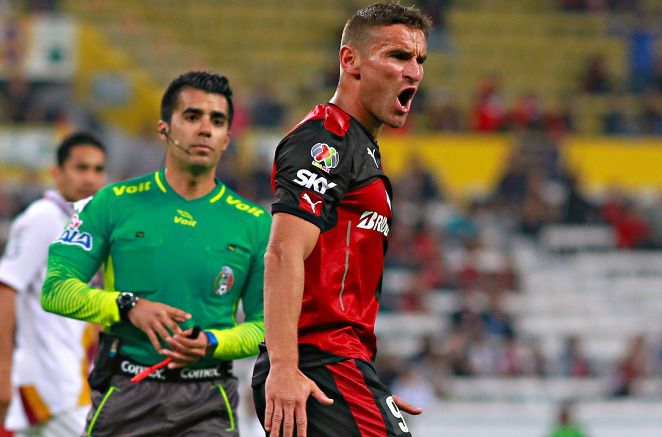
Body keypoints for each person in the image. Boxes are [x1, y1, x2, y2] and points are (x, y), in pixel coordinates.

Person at [41, 71, 271, 436]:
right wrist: (127, 306)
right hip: (125, 391)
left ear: (228, 137)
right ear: (164, 128)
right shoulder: (112, 203)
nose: (205, 129)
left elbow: (266, 327)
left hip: (207, 400)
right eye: (192, 117)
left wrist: (213, 342)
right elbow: (55, 289)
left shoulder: (256, 224)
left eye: (217, 121)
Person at [251, 3, 431, 437]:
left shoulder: (359, 145)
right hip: (317, 363)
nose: (414, 72)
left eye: (420, 60)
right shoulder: (325, 139)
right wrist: (284, 367)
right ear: (349, 61)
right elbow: (282, 251)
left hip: (340, 365)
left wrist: (372, 393)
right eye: (397, 56)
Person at [0, 132, 107, 437]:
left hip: (71, 381)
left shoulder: (83, 226)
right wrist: (3, 368)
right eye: (81, 168)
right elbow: (6, 288)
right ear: (57, 173)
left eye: (98, 170)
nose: (90, 177)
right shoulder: (42, 218)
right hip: (51, 383)